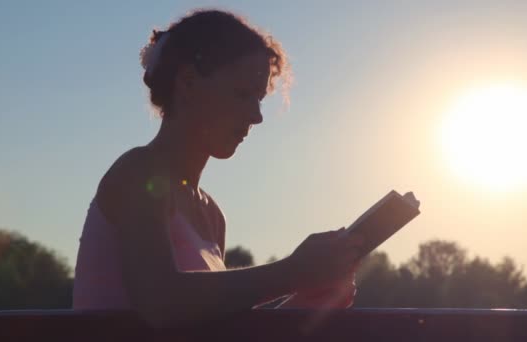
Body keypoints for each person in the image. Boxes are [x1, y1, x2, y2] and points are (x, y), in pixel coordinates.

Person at [73, 9, 364, 328]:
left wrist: (307, 302)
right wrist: (294, 271)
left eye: (260, 98)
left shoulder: (211, 215)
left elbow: (207, 327)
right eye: (242, 94)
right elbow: (162, 302)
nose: (257, 116)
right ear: (187, 82)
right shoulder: (137, 173)